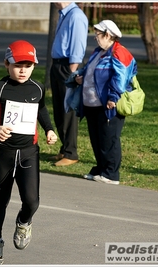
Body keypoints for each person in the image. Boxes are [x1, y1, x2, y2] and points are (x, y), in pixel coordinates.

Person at [0, 40, 58, 264]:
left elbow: (41, 110)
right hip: (2, 153)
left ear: (34, 66)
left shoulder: (38, 88)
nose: (22, 70)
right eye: (17, 65)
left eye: (28, 65)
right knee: (0, 199)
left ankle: (24, 222)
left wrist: (49, 129)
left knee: (32, 201)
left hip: (28, 152)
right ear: (6, 64)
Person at [75, 20, 137, 185]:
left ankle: (111, 173)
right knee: (97, 139)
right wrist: (80, 76)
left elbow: (121, 77)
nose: (95, 38)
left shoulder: (119, 52)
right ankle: (101, 168)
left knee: (109, 139)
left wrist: (113, 97)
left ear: (108, 35)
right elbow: (89, 69)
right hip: (92, 104)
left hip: (107, 104)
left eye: (97, 35)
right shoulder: (98, 51)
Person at [49, 2, 88, 167]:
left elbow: (77, 47)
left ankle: (71, 152)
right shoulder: (64, 14)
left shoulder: (76, 16)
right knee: (59, 109)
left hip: (67, 67)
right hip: (57, 64)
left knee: (68, 111)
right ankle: (65, 149)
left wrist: (71, 72)